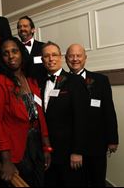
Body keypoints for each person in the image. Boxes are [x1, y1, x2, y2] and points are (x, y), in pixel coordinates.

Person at [0, 37, 51, 186]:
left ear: (21, 53)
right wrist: (6, 160)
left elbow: (39, 115)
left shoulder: (30, 80)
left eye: (14, 51)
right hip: (15, 149)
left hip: (36, 143)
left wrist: (46, 147)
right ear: (1, 58)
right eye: (6, 53)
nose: (11, 56)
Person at [65, 44, 119, 187]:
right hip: (70, 146)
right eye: (71, 55)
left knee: (97, 181)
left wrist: (113, 138)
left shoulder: (101, 80)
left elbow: (109, 110)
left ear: (85, 58)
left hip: (96, 144)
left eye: (78, 55)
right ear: (66, 59)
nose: (75, 59)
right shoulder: (60, 82)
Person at [41, 41, 89, 187]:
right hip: (48, 151)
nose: (51, 59)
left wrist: (77, 151)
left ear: (60, 57)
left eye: (54, 55)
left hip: (69, 153)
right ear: (42, 60)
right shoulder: (39, 82)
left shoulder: (75, 81)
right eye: (46, 56)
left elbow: (81, 118)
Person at [17, 16, 46, 86]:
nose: (22, 28)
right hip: (22, 89)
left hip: (41, 87)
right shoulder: (15, 49)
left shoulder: (43, 47)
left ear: (33, 30)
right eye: (19, 27)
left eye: (25, 26)